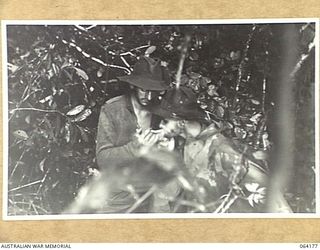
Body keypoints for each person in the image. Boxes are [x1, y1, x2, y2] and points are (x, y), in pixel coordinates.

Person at [149, 86, 292, 213]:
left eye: (165, 120)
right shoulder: (185, 144)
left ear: (181, 122)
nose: (161, 124)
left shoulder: (224, 152)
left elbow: (272, 199)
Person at [95, 56, 171, 213]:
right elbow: (103, 159)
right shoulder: (112, 110)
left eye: (153, 91)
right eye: (143, 89)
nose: (148, 97)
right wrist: (138, 146)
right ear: (133, 86)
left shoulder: (160, 110)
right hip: (118, 195)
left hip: (150, 192)